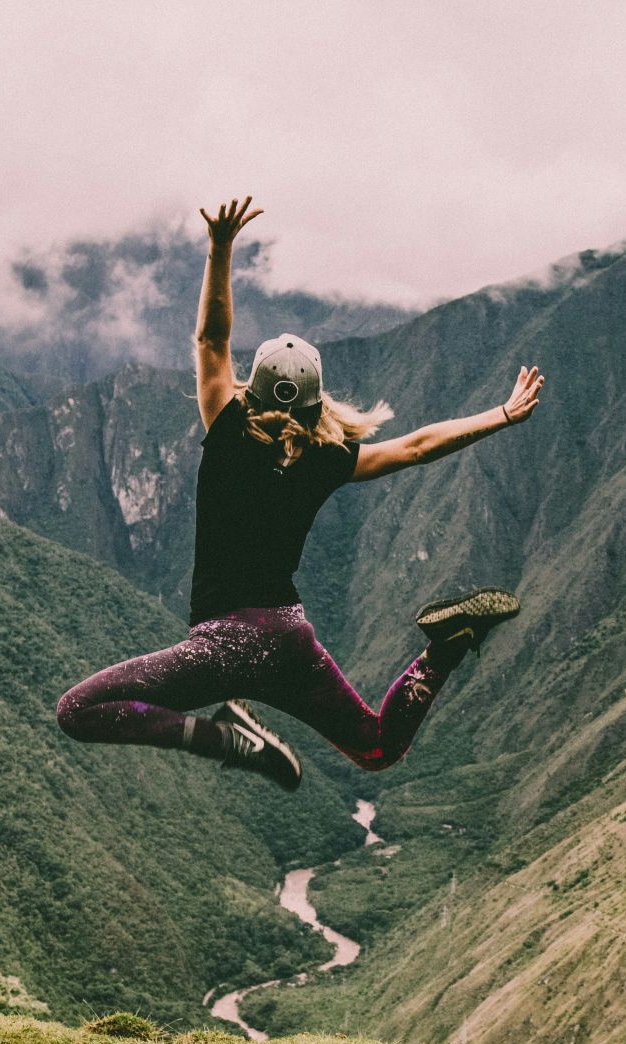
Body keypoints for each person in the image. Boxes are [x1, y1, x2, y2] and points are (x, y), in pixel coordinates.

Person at [55, 196, 545, 789]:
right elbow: (416, 447)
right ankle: (442, 650)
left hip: (224, 645)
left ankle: (225, 739)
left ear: (251, 389)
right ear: (318, 401)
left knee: (78, 711)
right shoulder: (326, 458)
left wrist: (220, 247)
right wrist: (501, 414)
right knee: (377, 747)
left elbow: (212, 339)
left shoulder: (229, 429)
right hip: (289, 639)